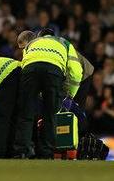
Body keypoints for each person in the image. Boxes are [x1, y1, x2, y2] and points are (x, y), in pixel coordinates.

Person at [13, 30, 83, 158]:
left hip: (30, 70)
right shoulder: (64, 43)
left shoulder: (33, 43)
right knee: (50, 114)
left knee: (25, 113)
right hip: (54, 71)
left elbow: (25, 63)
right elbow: (76, 72)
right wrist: (70, 95)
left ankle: (22, 151)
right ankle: (47, 153)